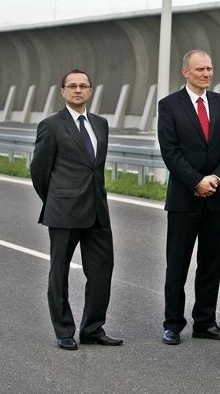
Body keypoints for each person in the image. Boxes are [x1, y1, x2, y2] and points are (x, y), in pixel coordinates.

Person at [31, 69, 123, 350]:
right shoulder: (51, 125)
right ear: (63, 92)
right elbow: (39, 171)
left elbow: (96, 168)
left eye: (83, 86)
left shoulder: (100, 123)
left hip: (97, 210)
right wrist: (57, 198)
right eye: (72, 86)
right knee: (59, 274)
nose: (78, 90)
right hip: (64, 211)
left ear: (91, 91)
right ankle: (64, 331)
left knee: (101, 272)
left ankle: (93, 328)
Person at [157, 50, 220, 345]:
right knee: (177, 264)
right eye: (200, 69)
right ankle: (173, 323)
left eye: (210, 68)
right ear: (185, 72)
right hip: (184, 198)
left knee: (211, 263)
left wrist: (215, 179)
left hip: (215, 197)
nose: (206, 73)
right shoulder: (169, 106)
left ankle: (204, 321)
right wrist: (196, 181)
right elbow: (170, 151)